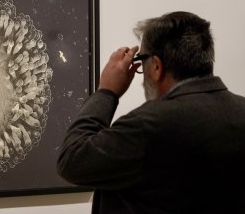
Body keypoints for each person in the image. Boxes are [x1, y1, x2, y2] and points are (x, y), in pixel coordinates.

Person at [57, 11, 245, 213]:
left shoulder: (150, 124)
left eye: (141, 59)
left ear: (156, 66)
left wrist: (106, 91)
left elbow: (72, 160)